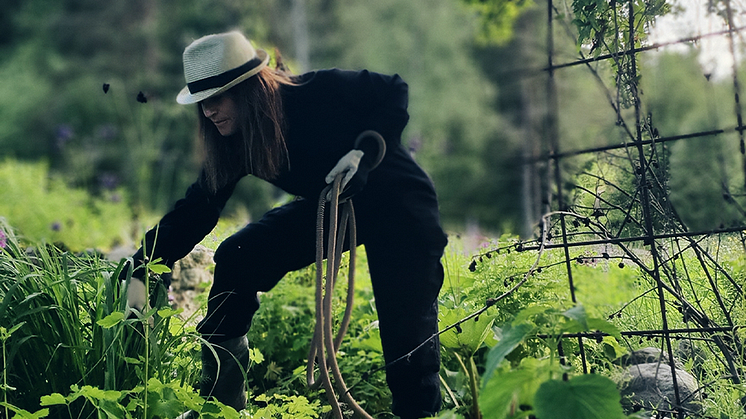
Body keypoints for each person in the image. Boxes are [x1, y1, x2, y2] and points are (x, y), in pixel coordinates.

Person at [124, 31, 448, 418]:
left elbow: (392, 90)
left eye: (217, 98)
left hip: (401, 207)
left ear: (248, 90)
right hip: (334, 205)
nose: (208, 111)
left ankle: (418, 414)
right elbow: (197, 209)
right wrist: (143, 262)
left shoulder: (314, 92)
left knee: (406, 329)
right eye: (201, 102)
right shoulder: (235, 141)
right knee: (240, 256)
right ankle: (221, 403)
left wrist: (365, 150)